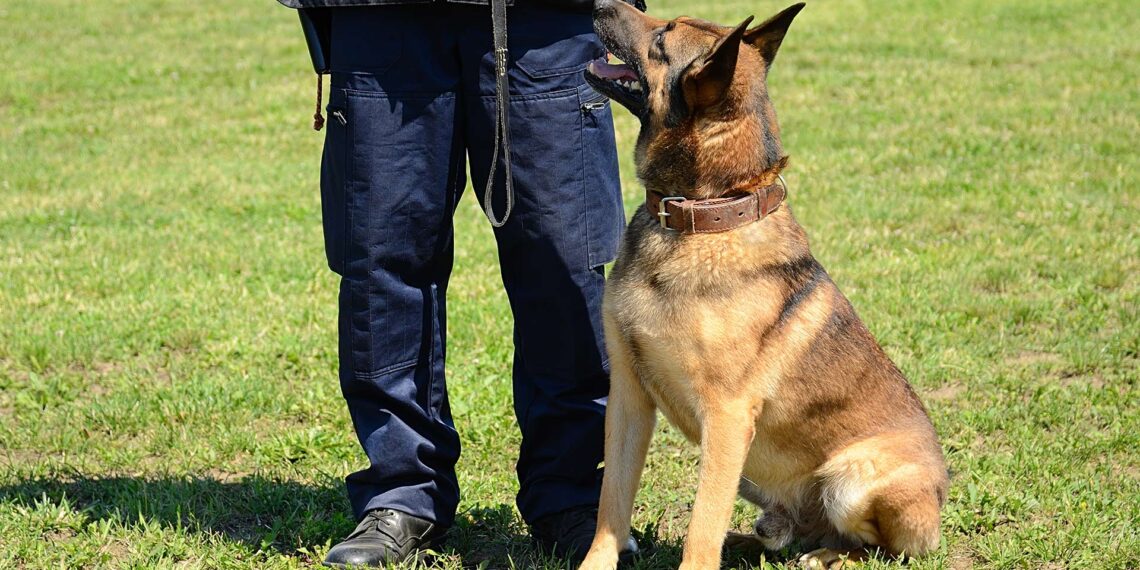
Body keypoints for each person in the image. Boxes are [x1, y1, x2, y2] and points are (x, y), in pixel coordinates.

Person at [276, 0, 641, 566]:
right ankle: (403, 493)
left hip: (542, 19)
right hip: (380, 15)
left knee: (563, 261)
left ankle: (574, 497)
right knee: (382, 260)